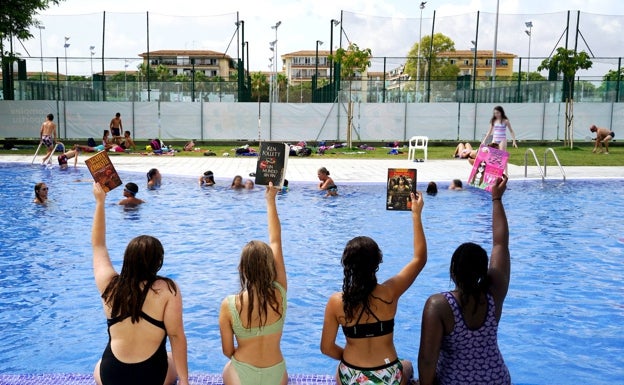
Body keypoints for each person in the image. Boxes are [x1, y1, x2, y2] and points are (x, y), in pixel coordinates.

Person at [321, 191, 427, 385]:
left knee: (339, 369)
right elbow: (419, 259)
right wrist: (416, 214)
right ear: (377, 262)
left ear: (347, 265)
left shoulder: (336, 302)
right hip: (388, 377)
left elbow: (326, 348)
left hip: (352, 376)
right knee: (408, 365)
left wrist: (352, 359)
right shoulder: (389, 292)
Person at [91, 183, 188, 385]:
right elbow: (177, 336)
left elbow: (98, 245)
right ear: (158, 262)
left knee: (99, 364)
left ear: (127, 258)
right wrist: (185, 381)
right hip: (152, 377)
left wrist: (100, 202)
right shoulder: (168, 289)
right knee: (169, 356)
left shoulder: (110, 285)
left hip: (112, 376)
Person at [418, 175, 511, 385]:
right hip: (497, 379)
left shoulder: (439, 305)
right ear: (482, 271)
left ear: (453, 271)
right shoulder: (494, 291)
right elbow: (500, 244)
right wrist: (496, 199)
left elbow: (426, 360)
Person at [218, 183, 288, 385]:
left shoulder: (229, 305)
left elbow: (227, 350)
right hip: (276, 372)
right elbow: (276, 241)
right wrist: (270, 200)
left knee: (228, 366)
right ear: (270, 267)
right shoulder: (280, 292)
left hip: (241, 374)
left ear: (242, 269)